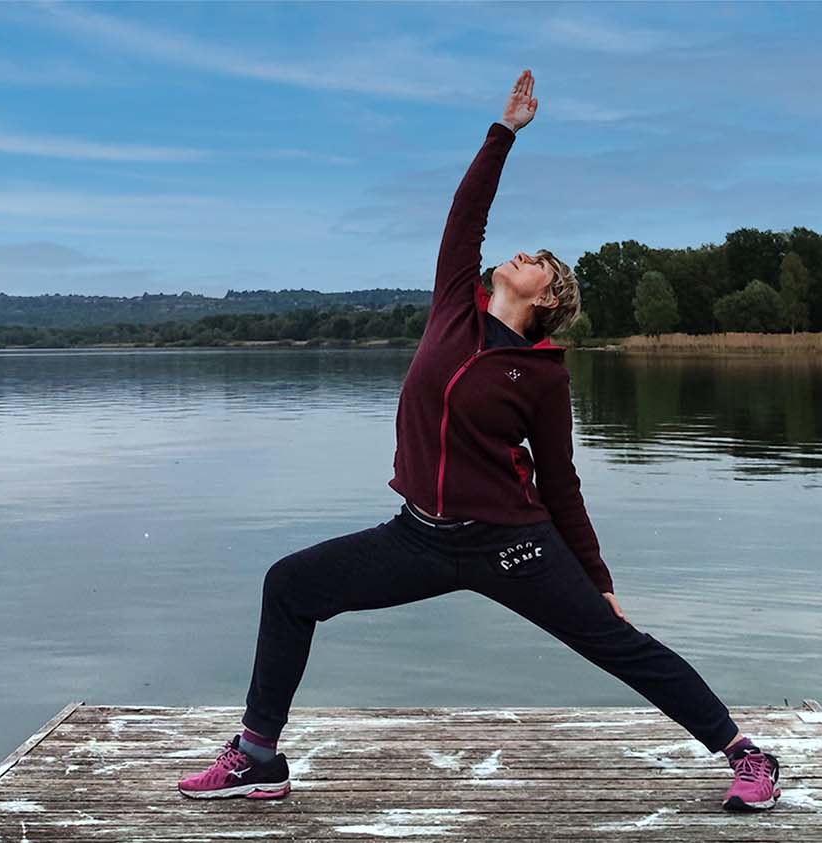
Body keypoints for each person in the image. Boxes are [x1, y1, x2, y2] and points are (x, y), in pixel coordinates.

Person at [177, 69, 782, 812]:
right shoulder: (452, 308)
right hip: (418, 538)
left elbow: (559, 481)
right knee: (290, 584)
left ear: (548, 298)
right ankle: (258, 758)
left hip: (512, 545)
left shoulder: (541, 374)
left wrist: (596, 579)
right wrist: (505, 132)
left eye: (536, 261)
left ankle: (747, 754)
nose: (520, 256)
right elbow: (467, 215)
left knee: (616, 642)